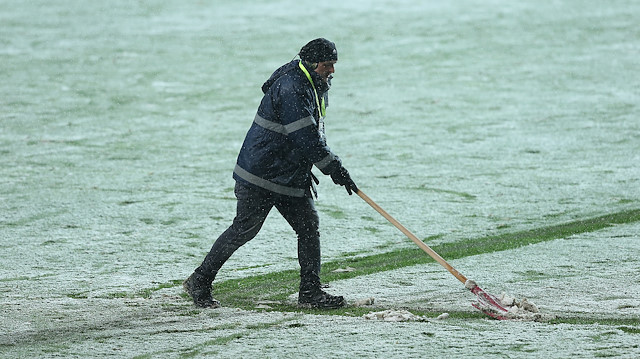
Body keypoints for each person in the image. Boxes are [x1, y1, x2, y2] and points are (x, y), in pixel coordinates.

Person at [183, 38, 358, 309]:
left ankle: (310, 293)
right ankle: (200, 280)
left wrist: (325, 167)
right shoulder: (292, 86)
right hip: (262, 175)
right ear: (312, 64)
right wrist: (334, 168)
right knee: (244, 229)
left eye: (334, 65)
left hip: (288, 174)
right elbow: (306, 136)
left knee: (308, 226)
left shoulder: (314, 84)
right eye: (328, 65)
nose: (332, 71)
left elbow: (310, 136)